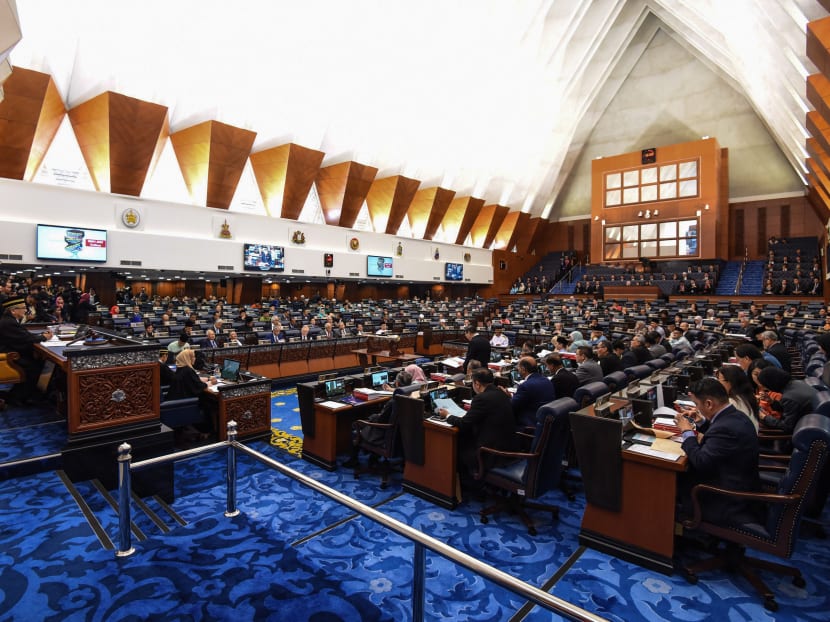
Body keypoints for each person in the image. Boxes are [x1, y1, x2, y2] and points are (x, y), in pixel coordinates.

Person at [674, 378, 760, 526]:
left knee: (672, 478)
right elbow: (716, 436)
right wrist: (702, 422)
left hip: (727, 497)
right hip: (737, 478)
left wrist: (687, 431)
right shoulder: (734, 415)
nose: (696, 408)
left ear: (708, 403)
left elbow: (701, 461)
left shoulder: (726, 428)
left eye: (697, 404)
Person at [436, 368, 516, 490]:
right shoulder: (501, 392)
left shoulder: (481, 398)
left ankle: (468, 486)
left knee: (455, 447)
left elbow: (464, 424)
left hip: (491, 453)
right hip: (508, 445)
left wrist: (447, 415)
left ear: (477, 384)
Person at [343, 370, 413, 468]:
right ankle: (373, 458)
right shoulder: (409, 398)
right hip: (397, 436)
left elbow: (380, 420)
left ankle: (353, 460)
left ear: (396, 383)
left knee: (356, 424)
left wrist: (371, 417)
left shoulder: (393, 402)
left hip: (382, 435)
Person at [0, 297, 53, 403]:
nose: (25, 310)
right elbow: (26, 338)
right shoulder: (8, 322)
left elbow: (24, 335)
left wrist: (40, 335)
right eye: (23, 308)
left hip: (12, 351)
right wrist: (44, 337)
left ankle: (25, 393)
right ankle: (21, 397)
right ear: (13, 310)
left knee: (38, 361)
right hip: (8, 355)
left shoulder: (9, 320)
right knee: (35, 366)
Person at [756, 367, 814, 434]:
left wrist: (764, 417)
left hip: (807, 431)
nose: (765, 388)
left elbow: (787, 426)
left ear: (771, 384)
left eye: (765, 385)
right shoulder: (796, 382)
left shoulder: (788, 397)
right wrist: (771, 401)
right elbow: (792, 409)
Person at [508, 356, 555, 428]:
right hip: (544, 421)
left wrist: (505, 397)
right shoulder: (547, 380)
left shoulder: (526, 386)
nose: (518, 370)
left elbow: (512, 406)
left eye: (519, 368)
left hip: (528, 424)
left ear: (523, 369)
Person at [715, 365, 760, 431]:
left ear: (730, 382)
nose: (718, 384)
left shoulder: (732, 403)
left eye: (719, 381)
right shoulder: (746, 395)